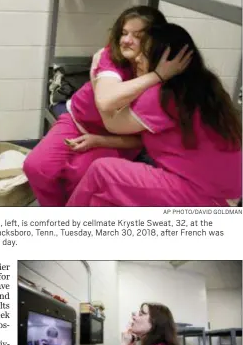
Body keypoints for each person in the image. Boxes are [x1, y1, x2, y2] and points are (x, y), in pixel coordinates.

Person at [23, 6, 189, 207]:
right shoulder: (112, 56)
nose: (127, 40)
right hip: (78, 122)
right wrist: (156, 76)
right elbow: (106, 100)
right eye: (124, 33)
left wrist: (99, 140)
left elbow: (142, 140)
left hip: (116, 139)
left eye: (138, 35)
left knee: (80, 176)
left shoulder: (164, 88)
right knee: (36, 167)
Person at [67, 23, 242, 207]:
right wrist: (98, 140)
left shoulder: (162, 96)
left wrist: (97, 76)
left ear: (164, 60)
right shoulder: (204, 85)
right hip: (227, 193)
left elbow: (110, 119)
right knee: (99, 200)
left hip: (206, 197)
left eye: (145, 53)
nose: (138, 58)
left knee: (101, 171)